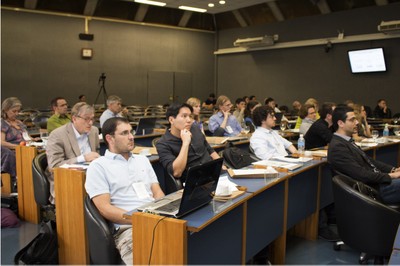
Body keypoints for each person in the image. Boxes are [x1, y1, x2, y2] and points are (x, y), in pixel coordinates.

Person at [85, 117, 164, 265]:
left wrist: (161, 213)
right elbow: (105, 209)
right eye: (124, 133)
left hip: (155, 220)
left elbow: (157, 192)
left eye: (131, 132)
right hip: (129, 229)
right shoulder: (98, 166)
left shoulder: (143, 160)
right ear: (110, 138)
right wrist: (141, 219)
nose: (131, 137)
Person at [328, 105, 400, 204]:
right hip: (373, 190)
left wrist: (393, 170)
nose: (357, 122)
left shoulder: (346, 141)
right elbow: (362, 175)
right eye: (352, 120)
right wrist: (391, 176)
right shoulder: (338, 147)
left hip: (378, 183)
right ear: (341, 123)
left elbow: (370, 161)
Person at [46, 102, 100, 204]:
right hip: (67, 181)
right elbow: (54, 166)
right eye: (86, 119)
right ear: (74, 118)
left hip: (92, 177)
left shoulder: (94, 131)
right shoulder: (57, 135)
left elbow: (95, 154)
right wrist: (83, 158)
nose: (90, 123)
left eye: (92, 118)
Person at [156, 103, 221, 181]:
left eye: (190, 116)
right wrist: (185, 143)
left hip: (214, 173)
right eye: (184, 116)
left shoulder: (195, 128)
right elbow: (176, 172)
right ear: (171, 120)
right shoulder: (163, 143)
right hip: (195, 181)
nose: (189, 120)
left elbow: (209, 149)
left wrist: (221, 166)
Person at [1, 97, 36, 181]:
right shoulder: (2, 123)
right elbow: (1, 142)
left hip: (24, 148)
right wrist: (18, 147)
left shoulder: (19, 123)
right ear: (5, 110)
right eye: (14, 111)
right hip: (13, 151)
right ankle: (20, 181)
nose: (17, 113)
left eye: (18, 111)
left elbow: (26, 137)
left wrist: (33, 140)